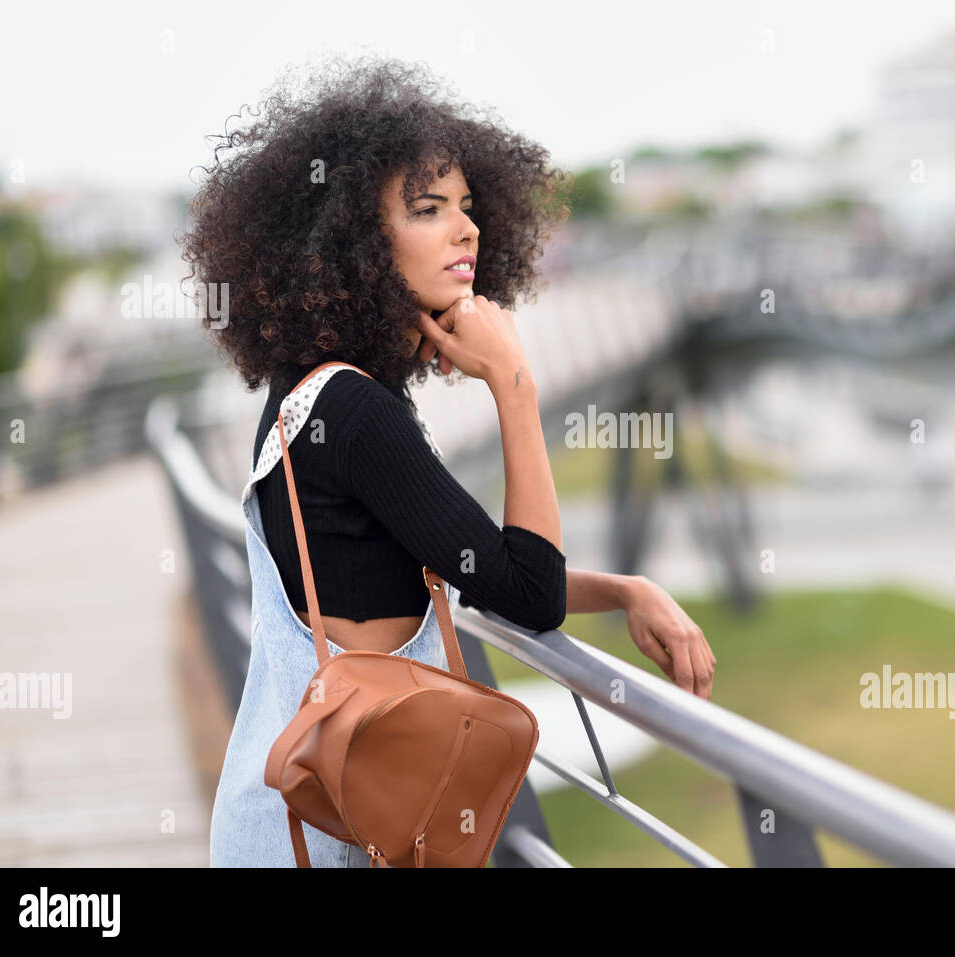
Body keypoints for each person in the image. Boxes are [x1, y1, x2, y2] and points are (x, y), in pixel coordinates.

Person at [179, 53, 715, 867]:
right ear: (358, 239)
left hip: (294, 819)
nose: (466, 228)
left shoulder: (315, 395)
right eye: (428, 209)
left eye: (468, 206)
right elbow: (528, 592)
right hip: (318, 839)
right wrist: (513, 381)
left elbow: (472, 566)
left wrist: (625, 590)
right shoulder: (355, 413)